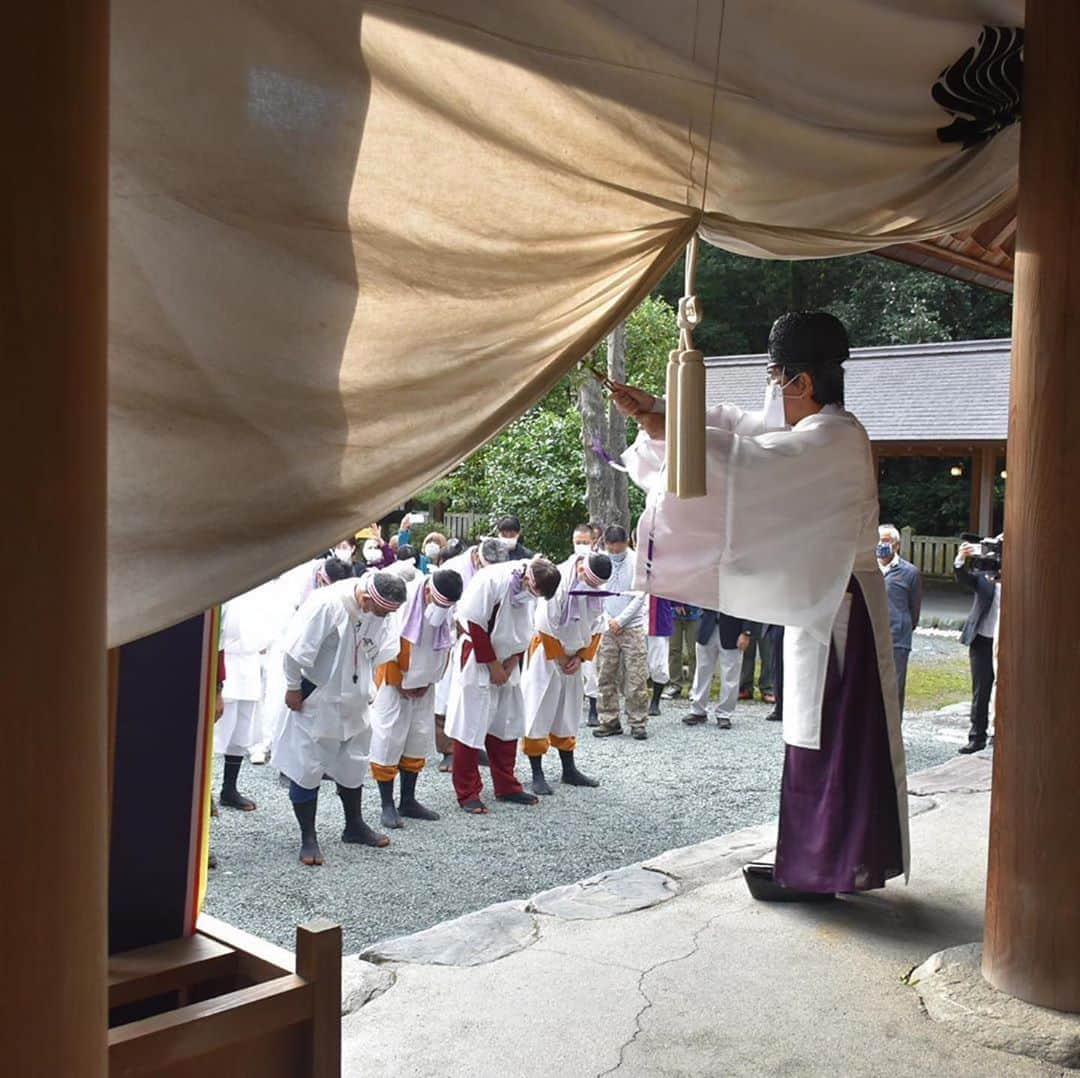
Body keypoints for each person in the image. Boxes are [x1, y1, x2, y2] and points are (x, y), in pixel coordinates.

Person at [614, 310, 907, 900]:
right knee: (813, 741)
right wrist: (662, 415)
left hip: (841, 610)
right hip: (823, 603)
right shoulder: (817, 428)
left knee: (830, 744)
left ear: (801, 383)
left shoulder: (834, 438)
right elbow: (740, 427)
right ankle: (818, 862)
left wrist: (678, 433)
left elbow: (748, 462)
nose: (769, 390)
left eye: (775, 377)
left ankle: (825, 866)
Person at [275, 572, 407, 865]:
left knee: (353, 762)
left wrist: (369, 686)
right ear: (366, 598)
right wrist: (293, 687)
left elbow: (378, 651)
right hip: (319, 697)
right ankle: (308, 837)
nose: (386, 618)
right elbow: (293, 652)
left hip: (356, 699)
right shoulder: (327, 604)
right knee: (308, 764)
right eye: (384, 611)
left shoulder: (382, 613)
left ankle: (354, 825)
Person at [445, 556, 561, 813]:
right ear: (529, 578)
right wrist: (492, 664)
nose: (533, 595)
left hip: (509, 659)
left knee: (507, 723)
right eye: (534, 590)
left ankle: (506, 784)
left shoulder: (531, 590)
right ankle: (467, 791)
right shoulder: (493, 579)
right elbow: (474, 622)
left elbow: (526, 627)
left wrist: (512, 662)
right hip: (477, 655)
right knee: (470, 724)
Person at [369, 568, 464, 827]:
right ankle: (387, 804)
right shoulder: (404, 601)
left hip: (425, 684)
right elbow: (385, 642)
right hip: (395, 681)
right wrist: (399, 683)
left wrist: (432, 679)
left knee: (418, 738)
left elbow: (449, 641)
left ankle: (408, 800)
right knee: (389, 738)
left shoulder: (447, 606)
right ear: (427, 590)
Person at [522, 550, 611, 794]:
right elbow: (544, 622)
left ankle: (568, 768)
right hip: (548, 653)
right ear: (582, 569)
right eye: (592, 582)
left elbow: (599, 623)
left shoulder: (595, 588)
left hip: (575, 656)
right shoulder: (559, 579)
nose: (594, 587)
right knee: (539, 708)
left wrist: (582, 657)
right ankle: (536, 772)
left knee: (568, 710)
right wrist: (561, 657)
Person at [433, 538, 509, 770]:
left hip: (480, 636)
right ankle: (447, 750)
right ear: (477, 556)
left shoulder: (498, 573)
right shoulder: (453, 569)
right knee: (445, 697)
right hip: (450, 634)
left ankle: (473, 747)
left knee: (475, 697)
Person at [216, 584, 275, 810]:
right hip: (228, 661)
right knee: (219, 732)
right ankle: (206, 791)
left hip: (250, 666)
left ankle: (229, 789)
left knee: (241, 732)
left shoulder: (263, 591)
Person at [594, 525, 650, 740]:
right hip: (607, 625)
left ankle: (638, 721)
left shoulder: (637, 561)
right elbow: (597, 591)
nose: (616, 553)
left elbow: (640, 593)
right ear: (606, 544)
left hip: (632, 626)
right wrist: (609, 620)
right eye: (612, 549)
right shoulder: (600, 560)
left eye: (619, 549)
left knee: (636, 676)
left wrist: (622, 619)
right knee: (605, 673)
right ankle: (609, 720)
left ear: (627, 542)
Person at [954, 538, 1001, 754]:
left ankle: (998, 733)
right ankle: (977, 736)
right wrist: (961, 560)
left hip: (1006, 641)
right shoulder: (985, 577)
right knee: (980, 690)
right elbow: (964, 578)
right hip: (983, 638)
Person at [877, 524, 922, 716]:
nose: (880, 545)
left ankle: (892, 737)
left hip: (897, 637)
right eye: (878, 540)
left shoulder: (910, 573)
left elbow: (914, 609)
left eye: (885, 541)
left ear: (896, 545)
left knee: (894, 688)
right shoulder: (867, 569)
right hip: (870, 635)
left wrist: (902, 627)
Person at [686, 611, 752, 729]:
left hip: (733, 630)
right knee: (702, 670)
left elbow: (748, 605)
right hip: (707, 626)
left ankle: (724, 713)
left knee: (730, 675)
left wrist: (746, 632)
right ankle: (698, 710)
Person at [570, 523, 603, 726]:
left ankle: (593, 708)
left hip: (591, 625)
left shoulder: (599, 565)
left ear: (594, 543)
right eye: (577, 542)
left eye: (584, 542)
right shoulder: (566, 567)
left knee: (590, 670)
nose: (581, 546)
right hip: (569, 625)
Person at [665, 602, 701, 700]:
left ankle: (694, 685)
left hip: (695, 611)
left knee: (694, 651)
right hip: (674, 611)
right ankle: (675, 685)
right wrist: (676, 603)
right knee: (674, 649)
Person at [646, 594, 673, 716]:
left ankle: (655, 701)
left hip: (659, 619)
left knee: (659, 664)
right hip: (636, 618)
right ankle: (636, 701)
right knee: (636, 662)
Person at [738, 622, 776, 704]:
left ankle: (768, 688)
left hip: (767, 618)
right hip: (748, 615)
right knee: (746, 653)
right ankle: (745, 687)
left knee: (768, 654)